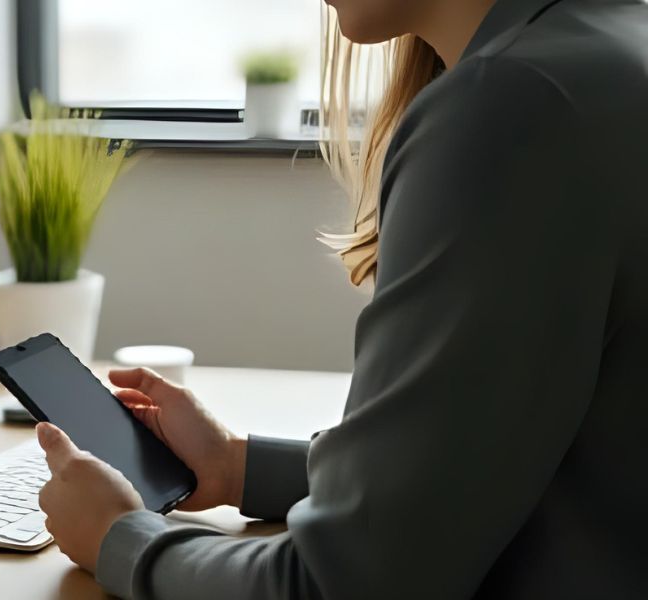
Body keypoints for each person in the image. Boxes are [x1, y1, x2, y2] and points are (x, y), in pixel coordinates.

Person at [37, 0, 648, 597]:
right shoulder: (607, 42)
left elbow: (348, 584)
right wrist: (235, 467)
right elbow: (511, 467)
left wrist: (118, 538)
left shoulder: (510, 104)